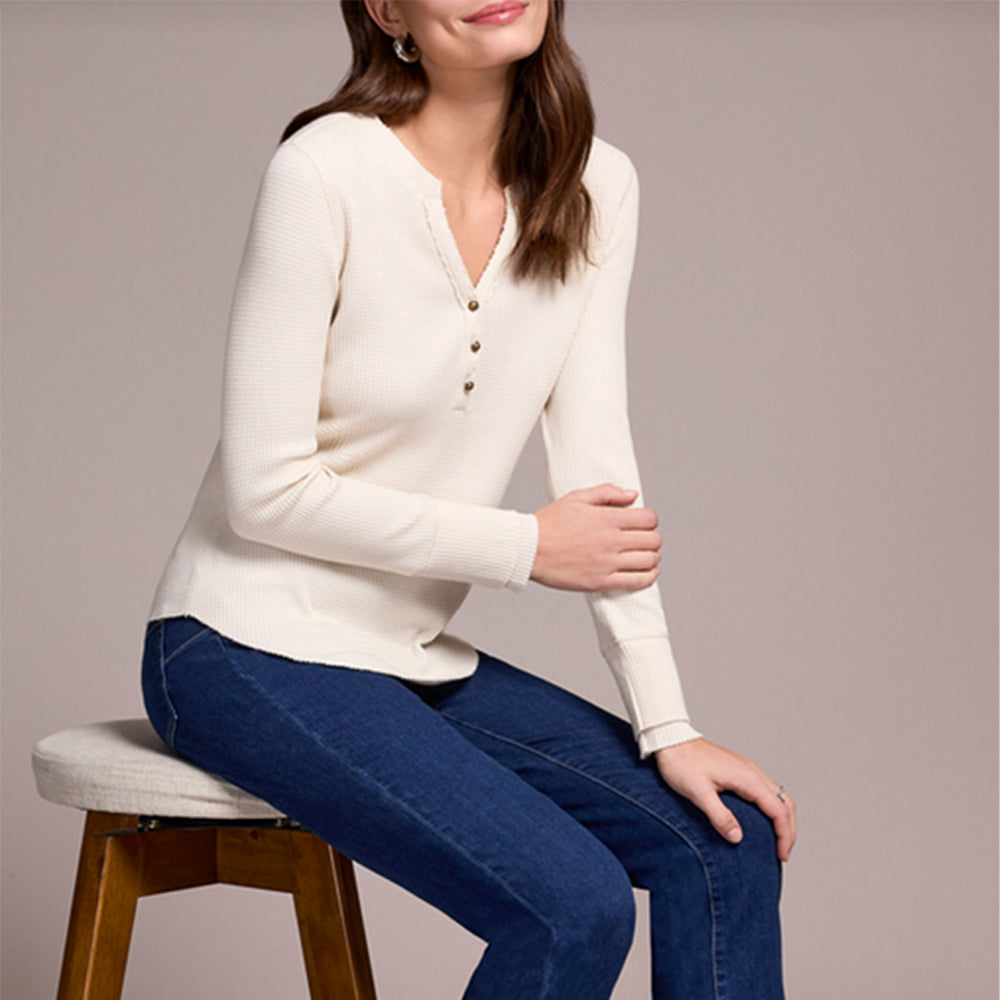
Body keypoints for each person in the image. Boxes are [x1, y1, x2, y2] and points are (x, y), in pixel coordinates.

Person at [141, 2, 796, 997]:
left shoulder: (594, 187)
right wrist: (522, 547)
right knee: (572, 904)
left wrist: (666, 724)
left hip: (406, 657)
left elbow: (599, 488)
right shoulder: (325, 171)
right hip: (239, 646)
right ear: (386, 9)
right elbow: (265, 494)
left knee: (725, 844)